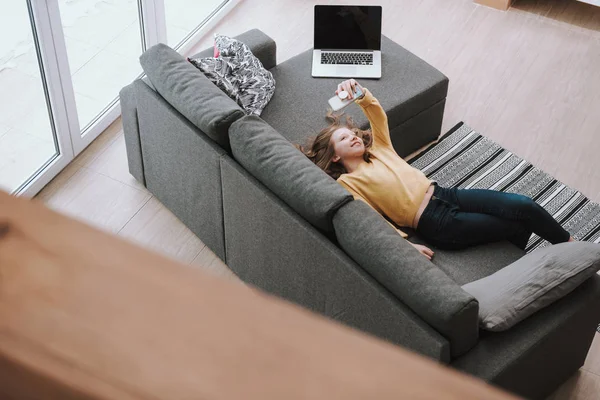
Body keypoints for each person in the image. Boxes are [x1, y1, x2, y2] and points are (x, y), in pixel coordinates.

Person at [298, 79, 574, 261]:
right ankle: (531, 258)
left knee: (524, 205)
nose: (354, 137)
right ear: (334, 157)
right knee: (517, 224)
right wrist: (407, 246)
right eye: (344, 139)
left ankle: (569, 245)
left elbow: (376, 114)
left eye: (353, 133)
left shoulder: (379, 148)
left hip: (448, 194)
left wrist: (358, 92)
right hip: (436, 223)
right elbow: (372, 219)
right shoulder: (349, 182)